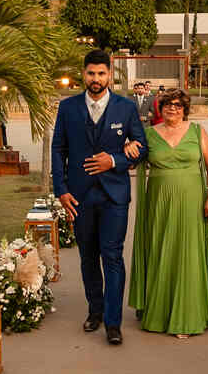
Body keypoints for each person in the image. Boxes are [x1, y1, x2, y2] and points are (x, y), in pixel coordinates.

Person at [51, 49, 147, 346]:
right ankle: (94, 310)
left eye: (101, 73)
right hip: (79, 195)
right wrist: (62, 190)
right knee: (88, 257)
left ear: (109, 74)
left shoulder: (125, 107)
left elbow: (141, 146)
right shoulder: (67, 108)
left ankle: (113, 321)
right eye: (91, 73)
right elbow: (58, 149)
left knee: (113, 256)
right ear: (84, 74)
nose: (96, 79)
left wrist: (116, 160)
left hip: (114, 195)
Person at [125, 88, 208, 338]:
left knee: (186, 252)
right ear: (160, 108)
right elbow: (132, 160)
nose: (172, 108)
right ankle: (158, 311)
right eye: (167, 105)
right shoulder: (149, 134)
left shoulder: (198, 132)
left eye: (177, 105)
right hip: (159, 203)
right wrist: (129, 147)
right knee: (160, 248)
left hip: (191, 202)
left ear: (184, 108)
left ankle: (187, 315)